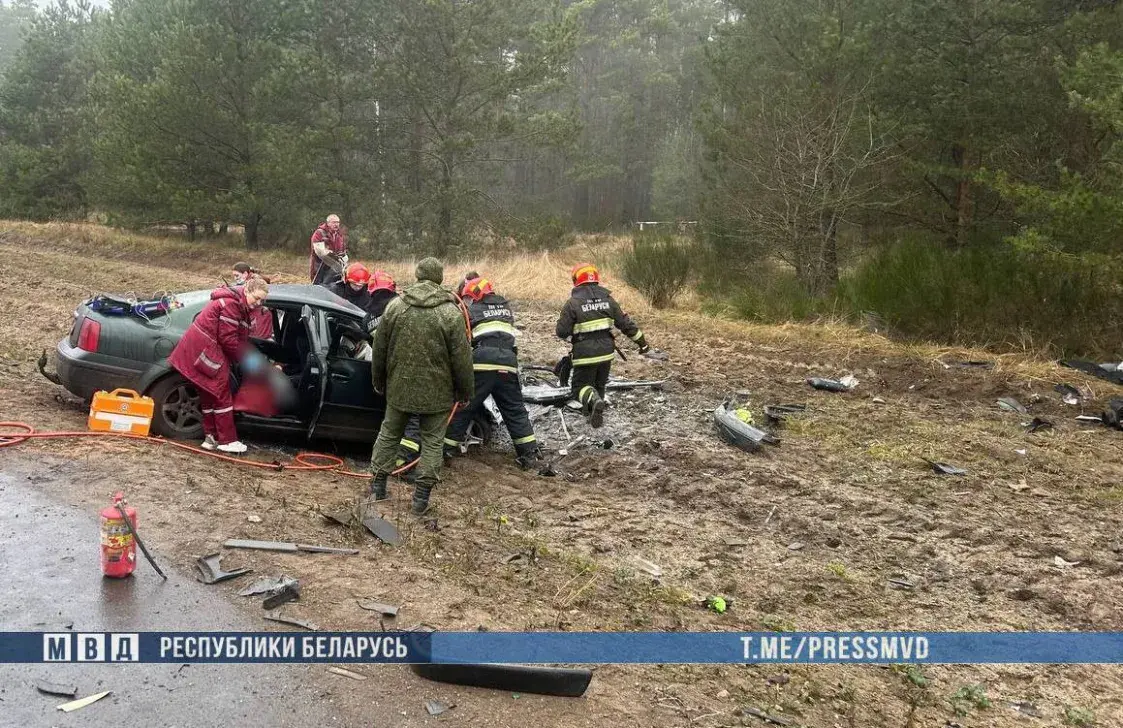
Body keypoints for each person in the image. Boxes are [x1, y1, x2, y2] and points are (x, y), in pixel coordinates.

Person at [367, 257, 474, 515]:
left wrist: (378, 381)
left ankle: (378, 487)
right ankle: (420, 499)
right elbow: (462, 358)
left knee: (389, 434)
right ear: (439, 278)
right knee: (433, 442)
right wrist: (465, 392)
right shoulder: (450, 313)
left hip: (399, 388)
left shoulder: (395, 307)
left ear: (417, 275)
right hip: (438, 393)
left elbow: (379, 349)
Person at [443, 276, 543, 469]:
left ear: (475, 295)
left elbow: (463, 337)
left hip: (482, 361)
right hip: (508, 361)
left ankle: (446, 449)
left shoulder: (472, 310)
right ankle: (529, 453)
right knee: (515, 410)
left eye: (469, 298)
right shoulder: (505, 308)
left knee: (465, 406)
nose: (467, 301)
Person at [168, 276, 270, 453]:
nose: (258, 303)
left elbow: (237, 336)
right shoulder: (232, 305)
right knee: (222, 395)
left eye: (262, 300)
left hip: (202, 351)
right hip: (207, 352)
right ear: (247, 290)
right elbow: (228, 339)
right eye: (257, 298)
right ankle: (227, 441)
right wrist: (248, 360)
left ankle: (211, 438)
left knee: (210, 395)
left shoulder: (238, 304)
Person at [555, 262, 651, 428]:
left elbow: (561, 332)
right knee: (599, 384)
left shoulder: (573, 303)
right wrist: (643, 344)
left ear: (576, 280)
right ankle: (594, 412)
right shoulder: (608, 300)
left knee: (579, 389)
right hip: (606, 352)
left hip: (585, 354)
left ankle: (593, 402)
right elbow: (626, 324)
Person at [232, 262, 274, 340]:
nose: (235, 278)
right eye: (234, 276)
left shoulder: (255, 283)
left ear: (245, 274)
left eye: (237, 275)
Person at [309, 214, 348, 285]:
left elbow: (343, 251)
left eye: (338, 222)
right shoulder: (319, 233)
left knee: (334, 286)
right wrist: (333, 257)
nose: (336, 224)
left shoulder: (339, 235)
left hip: (335, 268)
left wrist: (343, 260)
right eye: (334, 222)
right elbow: (320, 252)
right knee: (319, 286)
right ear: (328, 223)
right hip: (319, 266)